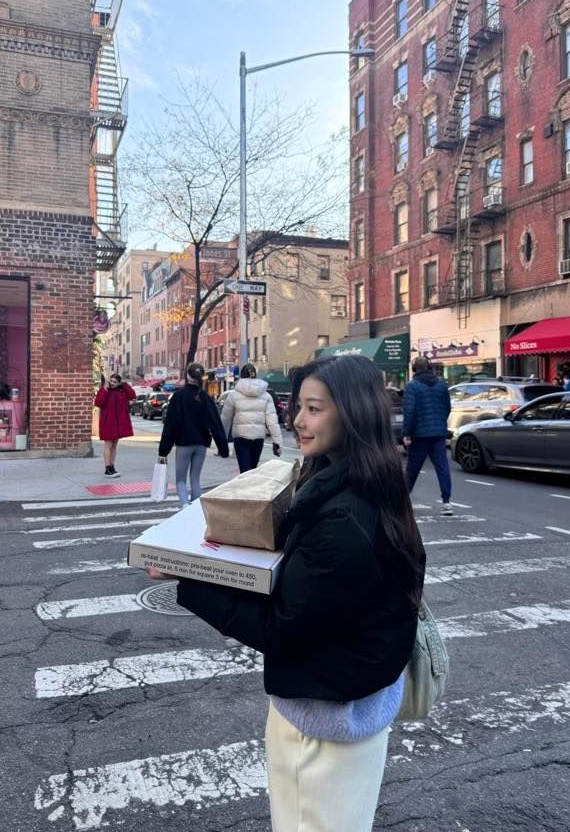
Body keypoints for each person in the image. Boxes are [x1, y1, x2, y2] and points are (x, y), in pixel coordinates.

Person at [150, 356, 425, 832]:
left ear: (353, 415)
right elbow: (320, 588)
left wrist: (189, 576)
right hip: (353, 698)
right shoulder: (369, 482)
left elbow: (282, 626)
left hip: (323, 720)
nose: (298, 420)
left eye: (314, 409)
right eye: (298, 406)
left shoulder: (344, 518)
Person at [159, 362, 229, 504]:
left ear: (187, 376)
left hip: (184, 443)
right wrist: (223, 449)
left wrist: (164, 450)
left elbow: (171, 425)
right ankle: (196, 508)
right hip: (201, 443)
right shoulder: (205, 397)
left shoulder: (178, 397)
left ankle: (185, 506)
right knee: (195, 479)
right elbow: (216, 424)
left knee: (181, 480)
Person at [402, 356, 454, 515]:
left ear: (414, 369)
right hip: (438, 433)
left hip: (419, 434)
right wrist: (440, 423)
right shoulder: (441, 384)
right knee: (442, 467)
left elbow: (409, 411)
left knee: (412, 469)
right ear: (429, 367)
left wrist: (406, 433)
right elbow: (447, 407)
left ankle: (404, 500)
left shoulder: (412, 386)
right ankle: (447, 503)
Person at [220, 363, 283, 472]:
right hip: (258, 438)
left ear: (241, 376)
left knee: (244, 470)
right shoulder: (266, 396)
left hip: (241, 437)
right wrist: (277, 442)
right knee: (253, 470)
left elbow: (226, 418)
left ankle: (245, 482)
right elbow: (272, 422)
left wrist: (222, 441)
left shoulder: (233, 396)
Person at [94, 373, 136, 478]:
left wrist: (124, 385)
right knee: (108, 445)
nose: (112, 383)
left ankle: (112, 466)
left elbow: (132, 396)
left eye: (115, 382)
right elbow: (98, 403)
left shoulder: (121, 391)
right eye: (111, 381)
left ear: (119, 383)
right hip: (108, 422)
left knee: (114, 446)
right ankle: (107, 468)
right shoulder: (104, 390)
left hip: (117, 424)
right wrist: (105, 389)